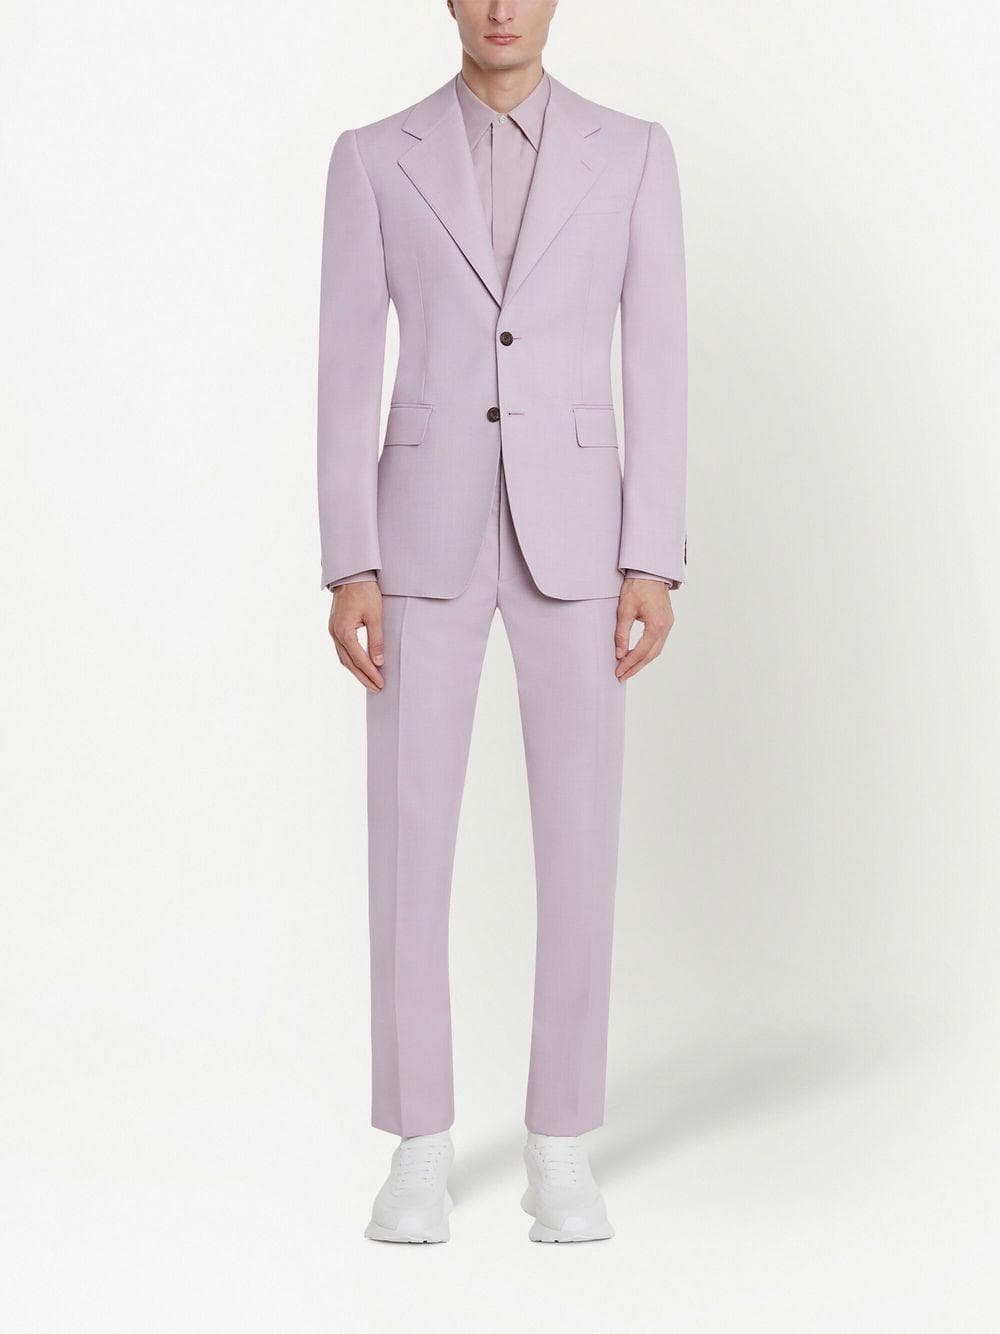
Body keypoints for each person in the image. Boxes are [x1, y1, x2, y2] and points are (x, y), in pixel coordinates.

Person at [317, 0, 686, 1244]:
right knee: (408, 836)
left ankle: (559, 1142)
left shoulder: (633, 153)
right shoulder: (373, 157)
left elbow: (659, 359)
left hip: (577, 531)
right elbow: (342, 370)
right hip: (417, 531)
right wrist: (348, 558)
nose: (500, 7)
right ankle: (418, 1142)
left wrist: (653, 552)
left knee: (579, 838)